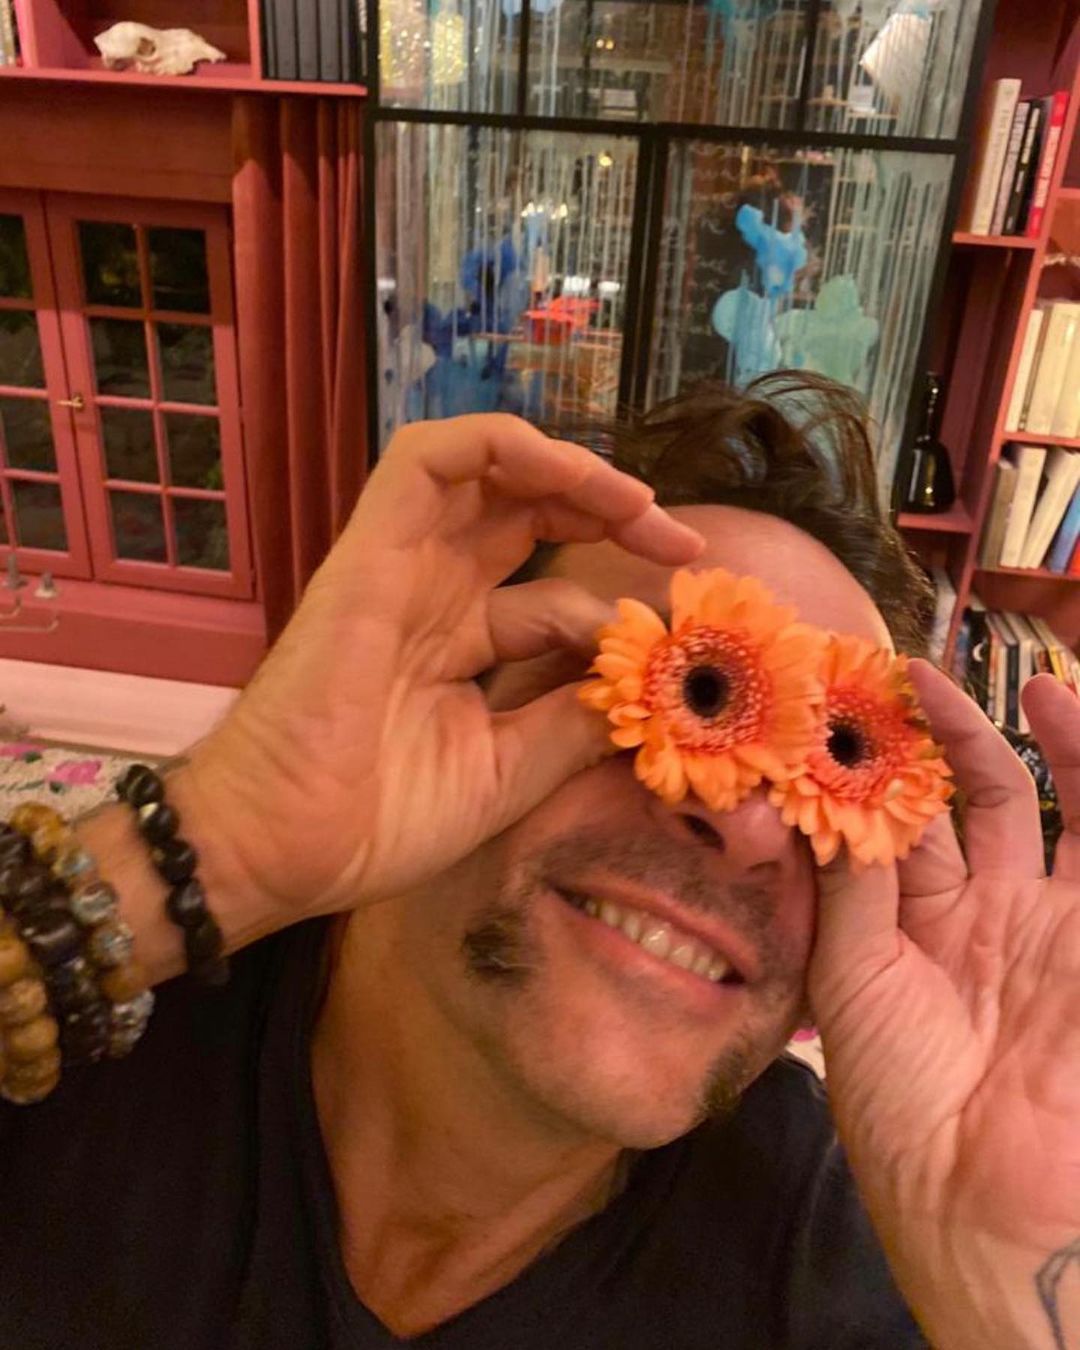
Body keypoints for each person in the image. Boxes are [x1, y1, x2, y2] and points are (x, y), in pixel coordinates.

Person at [0, 374, 1077, 1350]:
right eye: (665, 686)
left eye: (832, 764)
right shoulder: (92, 1022)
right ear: (438, 703)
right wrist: (208, 852)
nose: (749, 827)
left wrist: (998, 1291)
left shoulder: (838, 1266)